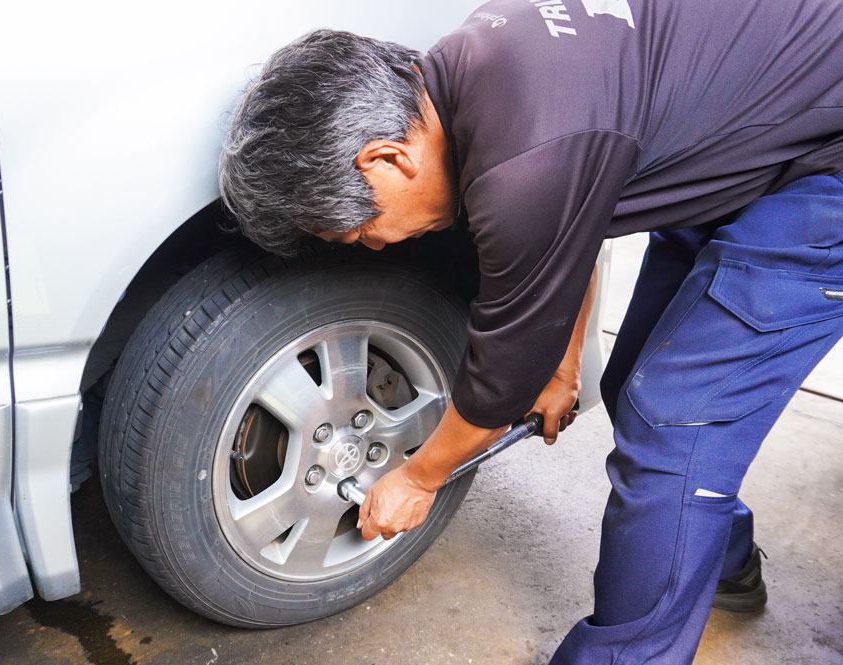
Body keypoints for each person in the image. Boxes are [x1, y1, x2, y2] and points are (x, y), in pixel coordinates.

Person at [217, 1, 843, 662]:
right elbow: (577, 218)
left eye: (357, 231)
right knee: (634, 382)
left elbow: (495, 388)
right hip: (747, 118)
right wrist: (563, 363)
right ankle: (720, 557)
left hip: (825, 164)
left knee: (675, 423)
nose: (372, 246)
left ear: (387, 158)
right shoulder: (470, 65)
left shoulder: (524, 168)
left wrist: (419, 478)